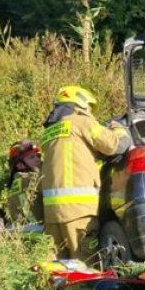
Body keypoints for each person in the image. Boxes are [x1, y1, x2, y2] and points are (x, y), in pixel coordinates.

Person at [40, 85, 122, 260]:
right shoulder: (82, 121)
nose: (91, 113)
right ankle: (83, 289)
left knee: (55, 263)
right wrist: (118, 129)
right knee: (83, 261)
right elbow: (112, 144)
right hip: (78, 209)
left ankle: (54, 289)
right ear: (81, 105)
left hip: (52, 211)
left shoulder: (49, 131)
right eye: (90, 108)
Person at [5, 140, 44, 226]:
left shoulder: (17, 180)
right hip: (37, 231)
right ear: (20, 165)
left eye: (38, 155)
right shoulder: (28, 179)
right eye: (31, 157)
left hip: (23, 231)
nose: (38, 159)